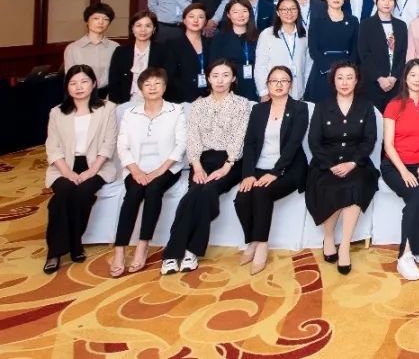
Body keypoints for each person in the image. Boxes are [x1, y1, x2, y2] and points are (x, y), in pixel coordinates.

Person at [160, 60, 251, 275]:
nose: (220, 80)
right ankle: (176, 253)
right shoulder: (198, 105)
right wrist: (197, 166)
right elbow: (192, 138)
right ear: (208, 78)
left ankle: (188, 250)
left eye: (225, 75)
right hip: (202, 161)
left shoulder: (242, 104)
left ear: (233, 78)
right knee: (194, 193)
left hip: (232, 162)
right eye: (215, 75)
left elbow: (239, 139)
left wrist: (227, 166)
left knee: (208, 191)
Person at [232, 66, 310, 275]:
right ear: (267, 84)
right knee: (241, 199)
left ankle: (262, 245)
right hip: (259, 167)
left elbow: (293, 145)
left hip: (288, 168)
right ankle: (253, 240)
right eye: (274, 81)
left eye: (284, 80)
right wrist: (248, 174)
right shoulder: (258, 110)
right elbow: (249, 144)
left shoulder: (299, 108)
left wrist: (275, 172)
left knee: (262, 192)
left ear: (290, 85)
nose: (278, 84)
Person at [109, 68, 186, 277]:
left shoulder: (176, 111)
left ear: (164, 87)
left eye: (157, 83)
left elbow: (180, 145)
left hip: (167, 168)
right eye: (147, 84)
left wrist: (158, 171)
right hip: (136, 168)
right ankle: (119, 249)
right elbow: (122, 146)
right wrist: (135, 170)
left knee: (153, 190)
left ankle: (143, 245)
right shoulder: (130, 114)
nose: (152, 88)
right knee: (133, 193)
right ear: (140, 89)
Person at [42, 66, 118, 274]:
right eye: (73, 83)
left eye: (84, 82)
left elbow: (108, 144)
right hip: (64, 165)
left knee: (83, 193)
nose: (79, 87)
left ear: (94, 84)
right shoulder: (57, 112)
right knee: (62, 194)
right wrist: (68, 173)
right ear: (67, 87)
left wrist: (91, 171)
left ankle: (74, 244)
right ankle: (56, 252)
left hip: (97, 165)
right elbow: (53, 147)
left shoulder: (107, 108)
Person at [304, 62, 378, 276]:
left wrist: (353, 162)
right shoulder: (322, 106)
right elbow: (314, 141)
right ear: (333, 81)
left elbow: (369, 140)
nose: (344, 82)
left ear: (356, 81)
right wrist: (331, 165)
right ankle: (329, 238)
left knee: (357, 185)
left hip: (357, 163)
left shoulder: (366, 106)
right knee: (328, 186)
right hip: (326, 163)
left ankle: (344, 244)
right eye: (340, 77)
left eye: (349, 77)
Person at [381, 60, 419, 281]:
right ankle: (404, 256)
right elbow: (388, 145)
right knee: (416, 195)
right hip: (394, 165)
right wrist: (404, 172)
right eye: (413, 75)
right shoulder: (394, 105)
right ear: (405, 78)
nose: (417, 79)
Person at [305, 0, 360, 101]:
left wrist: (346, 71)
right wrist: (329, 69)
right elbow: (313, 50)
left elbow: (355, 49)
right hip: (322, 71)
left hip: (346, 73)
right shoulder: (316, 21)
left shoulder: (353, 21)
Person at [357, 0, 409, 111]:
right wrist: (379, 78)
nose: (387, 3)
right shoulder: (366, 24)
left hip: (395, 83)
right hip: (373, 83)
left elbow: (404, 54)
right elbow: (364, 54)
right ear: (375, 0)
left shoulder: (401, 26)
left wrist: (394, 77)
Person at [254, 0, 312, 100]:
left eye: (293, 9)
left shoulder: (305, 34)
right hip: (273, 93)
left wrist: (306, 89)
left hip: (298, 92)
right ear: (277, 12)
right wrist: (264, 92)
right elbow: (260, 66)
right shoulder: (267, 34)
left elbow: (308, 65)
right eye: (284, 9)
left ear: (298, 11)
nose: (289, 12)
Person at [108, 10, 170, 105]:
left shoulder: (163, 51)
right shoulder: (121, 52)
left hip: (155, 103)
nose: (143, 30)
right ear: (132, 28)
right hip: (126, 103)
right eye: (138, 25)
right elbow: (114, 83)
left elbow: (167, 81)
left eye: (148, 26)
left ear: (154, 29)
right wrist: (117, 105)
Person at [207, 0, 260, 101]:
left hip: (254, 87)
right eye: (235, 12)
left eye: (244, 11)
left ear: (250, 13)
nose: (241, 15)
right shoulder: (219, 38)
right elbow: (213, 66)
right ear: (228, 15)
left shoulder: (259, 36)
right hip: (229, 87)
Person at [64, 2, 119, 98]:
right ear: (87, 21)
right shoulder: (73, 48)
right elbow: (70, 79)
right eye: (96, 18)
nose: (101, 22)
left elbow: (118, 76)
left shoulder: (115, 47)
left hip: (109, 95)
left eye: (105, 19)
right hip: (81, 95)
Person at [165, 3, 211, 104]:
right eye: (191, 16)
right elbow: (170, 77)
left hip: (207, 98)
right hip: (181, 100)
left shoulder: (211, 44)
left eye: (200, 17)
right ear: (184, 20)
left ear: (205, 22)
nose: (196, 20)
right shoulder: (172, 45)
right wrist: (192, 98)